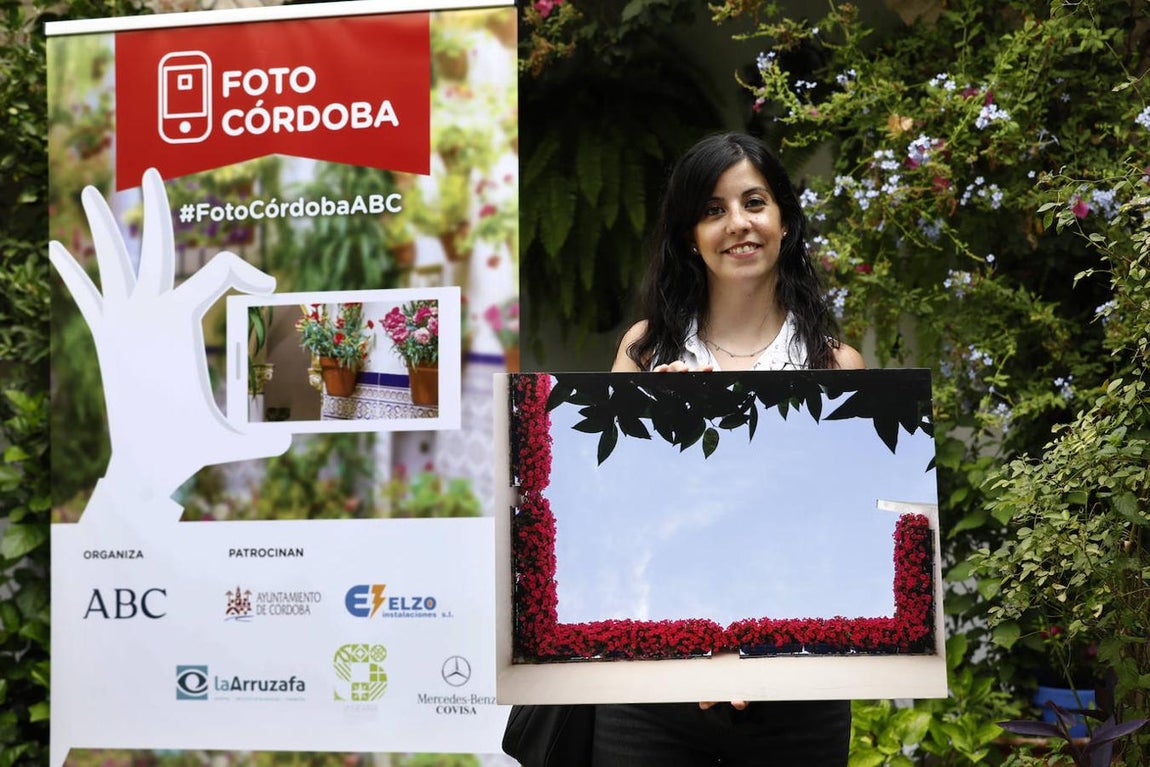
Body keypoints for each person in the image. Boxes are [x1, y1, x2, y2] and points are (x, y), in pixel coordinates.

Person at [599, 131, 863, 765]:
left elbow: (848, 536)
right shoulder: (646, 351)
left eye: (754, 202)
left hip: (797, 684)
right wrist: (650, 433)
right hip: (652, 679)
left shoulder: (835, 367)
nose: (737, 224)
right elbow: (600, 512)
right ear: (690, 234)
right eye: (713, 210)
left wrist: (755, 648)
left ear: (785, 221)